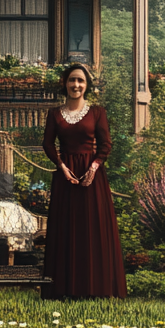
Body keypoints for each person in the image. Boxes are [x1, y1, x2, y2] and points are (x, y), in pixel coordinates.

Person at [41, 62, 127, 299]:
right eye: (72, 80)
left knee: (93, 229)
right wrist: (61, 167)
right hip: (65, 177)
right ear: (65, 83)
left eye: (80, 81)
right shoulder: (55, 114)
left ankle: (96, 289)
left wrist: (95, 167)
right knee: (65, 228)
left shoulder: (98, 112)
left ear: (87, 85)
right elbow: (48, 144)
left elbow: (106, 144)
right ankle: (63, 289)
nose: (75, 85)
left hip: (92, 178)